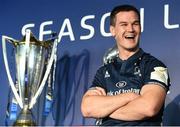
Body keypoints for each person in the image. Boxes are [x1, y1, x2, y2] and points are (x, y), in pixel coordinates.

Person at [81, 4, 171, 126]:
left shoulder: (154, 66)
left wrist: (104, 110)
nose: (131, 29)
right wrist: (129, 96)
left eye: (135, 24)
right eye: (124, 24)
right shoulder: (103, 71)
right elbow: (87, 108)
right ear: (113, 30)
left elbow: (149, 107)